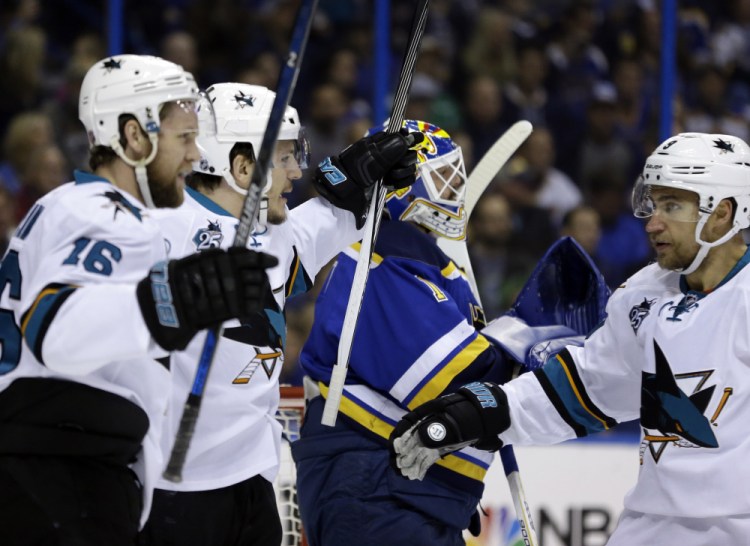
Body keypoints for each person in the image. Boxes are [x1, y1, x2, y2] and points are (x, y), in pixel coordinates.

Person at [390, 132, 750, 545]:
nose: (652, 222)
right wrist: (487, 410)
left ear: (722, 213)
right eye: (652, 204)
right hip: (651, 528)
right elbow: (590, 386)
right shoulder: (643, 293)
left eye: (672, 206)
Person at [0, 55, 279, 545]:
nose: (195, 156)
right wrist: (180, 298)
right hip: (57, 476)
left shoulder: (75, 207)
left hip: (57, 468)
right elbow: (55, 326)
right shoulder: (103, 212)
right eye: (185, 139)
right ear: (134, 136)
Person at [291, 120, 607, 546]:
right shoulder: (379, 254)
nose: (454, 187)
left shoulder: (429, 263)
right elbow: (459, 380)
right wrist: (525, 339)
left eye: (457, 173)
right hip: (373, 487)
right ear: (401, 183)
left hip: (409, 489)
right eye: (441, 175)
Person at [138, 83, 422, 546]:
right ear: (242, 167)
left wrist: (366, 176)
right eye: (285, 157)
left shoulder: (273, 232)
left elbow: (328, 220)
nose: (296, 172)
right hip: (175, 491)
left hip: (251, 479)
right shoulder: (160, 232)